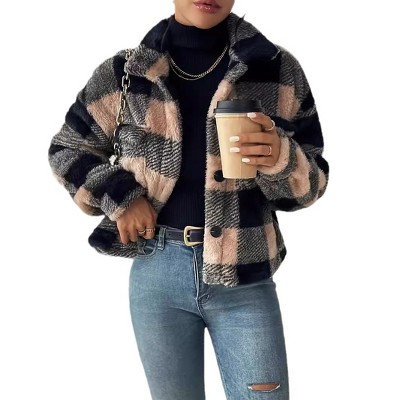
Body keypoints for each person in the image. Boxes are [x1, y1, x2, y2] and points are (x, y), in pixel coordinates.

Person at [48, 0, 329, 398]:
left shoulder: (276, 69)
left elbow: (312, 184)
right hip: (157, 274)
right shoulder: (126, 72)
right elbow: (68, 149)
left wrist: (280, 157)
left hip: (245, 278)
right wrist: (122, 199)